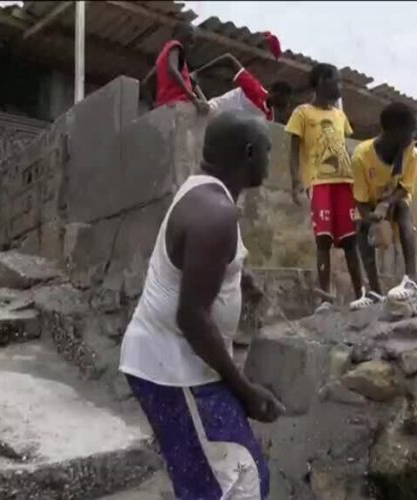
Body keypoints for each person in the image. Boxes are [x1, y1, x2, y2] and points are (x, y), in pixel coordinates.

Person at [119, 110, 284, 500]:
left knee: (207, 482)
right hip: (175, 371)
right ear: (248, 153)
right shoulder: (216, 215)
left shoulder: (204, 191)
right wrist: (243, 389)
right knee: (240, 485)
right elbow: (191, 317)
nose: (269, 160)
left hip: (170, 364)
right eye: (266, 151)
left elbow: (193, 264)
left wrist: (239, 276)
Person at [284, 63, 364, 312]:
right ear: (320, 81)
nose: (339, 87)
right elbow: (293, 149)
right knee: (323, 241)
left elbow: (345, 147)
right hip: (318, 183)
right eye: (336, 81)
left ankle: (361, 294)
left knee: (351, 241)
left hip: (345, 183)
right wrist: (296, 183)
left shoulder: (340, 116)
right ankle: (325, 299)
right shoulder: (302, 113)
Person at [350, 103, 417, 309]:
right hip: (370, 206)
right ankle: (374, 292)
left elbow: (405, 188)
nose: (413, 134)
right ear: (395, 131)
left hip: (394, 199)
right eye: (411, 129)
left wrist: (386, 204)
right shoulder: (361, 157)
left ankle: (411, 281)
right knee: (360, 229)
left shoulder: (409, 151)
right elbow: (361, 203)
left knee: (403, 209)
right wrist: (372, 218)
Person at [192, 53, 292, 122]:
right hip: (208, 113)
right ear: (273, 92)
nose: (286, 104)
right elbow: (228, 59)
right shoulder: (254, 88)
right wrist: (198, 73)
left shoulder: (269, 118)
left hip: (221, 132)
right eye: (284, 99)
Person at [141, 23, 209, 114]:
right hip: (179, 104)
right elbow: (172, 70)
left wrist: (153, 107)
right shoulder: (175, 45)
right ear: (178, 33)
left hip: (166, 106)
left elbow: (145, 83)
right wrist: (194, 99)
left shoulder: (162, 57)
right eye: (189, 35)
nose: (191, 41)